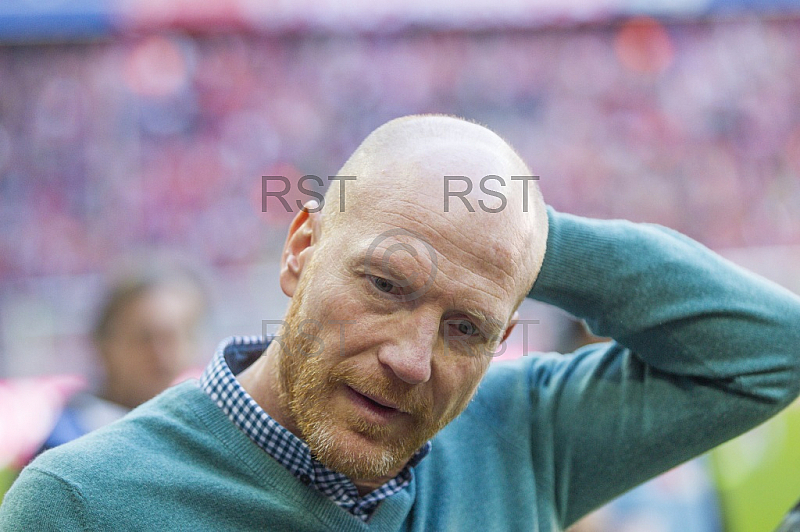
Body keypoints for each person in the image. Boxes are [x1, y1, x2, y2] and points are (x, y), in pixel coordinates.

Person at [1, 115, 799, 531]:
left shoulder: (522, 435)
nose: (412, 359)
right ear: (301, 250)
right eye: (386, 284)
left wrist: (515, 230)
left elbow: (772, 349)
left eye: (467, 328)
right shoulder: (82, 505)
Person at [40, 255, 209, 451]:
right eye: (144, 338)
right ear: (105, 344)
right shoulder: (68, 442)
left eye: (171, 338)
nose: (159, 353)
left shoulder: (194, 428)